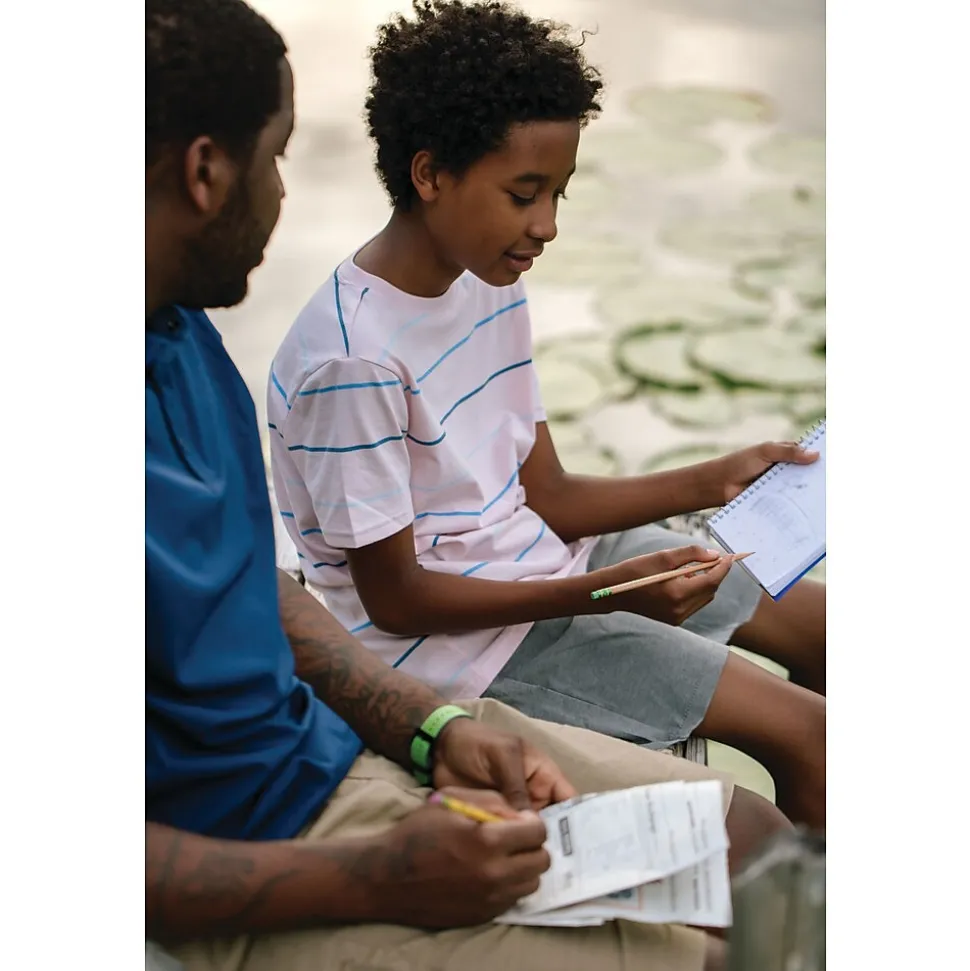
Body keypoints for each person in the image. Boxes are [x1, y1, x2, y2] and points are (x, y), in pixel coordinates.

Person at [146, 2, 789, 970]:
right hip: (333, 784)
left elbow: (267, 586)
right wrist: (377, 872)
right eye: (276, 157)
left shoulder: (185, 340)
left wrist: (428, 729)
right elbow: (393, 598)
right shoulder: (346, 357)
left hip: (371, 726)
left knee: (757, 833)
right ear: (205, 172)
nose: (284, 190)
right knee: (724, 906)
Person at [267, 0, 826, 831]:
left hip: (548, 565)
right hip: (470, 649)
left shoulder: (484, 280)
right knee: (814, 736)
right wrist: (603, 596)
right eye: (524, 194)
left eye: (558, 193)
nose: (548, 226)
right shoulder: (353, 362)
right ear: (430, 174)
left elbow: (547, 494)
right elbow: (397, 602)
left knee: (827, 628)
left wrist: (718, 477)